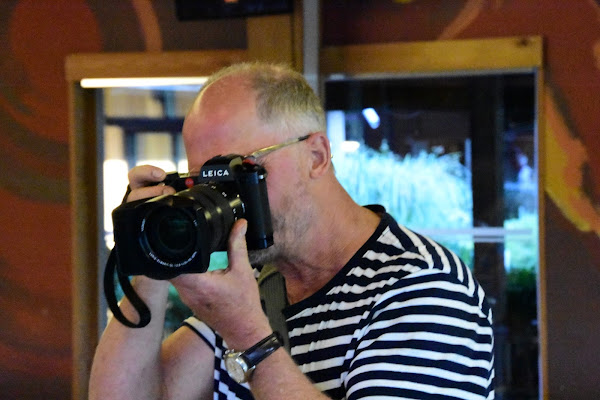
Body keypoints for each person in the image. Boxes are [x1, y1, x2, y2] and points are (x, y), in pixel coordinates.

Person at [89, 62, 495, 400]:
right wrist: (151, 258)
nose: (222, 198)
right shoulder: (259, 283)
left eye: (239, 172)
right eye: (204, 181)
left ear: (316, 155)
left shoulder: (423, 288)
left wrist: (250, 337)